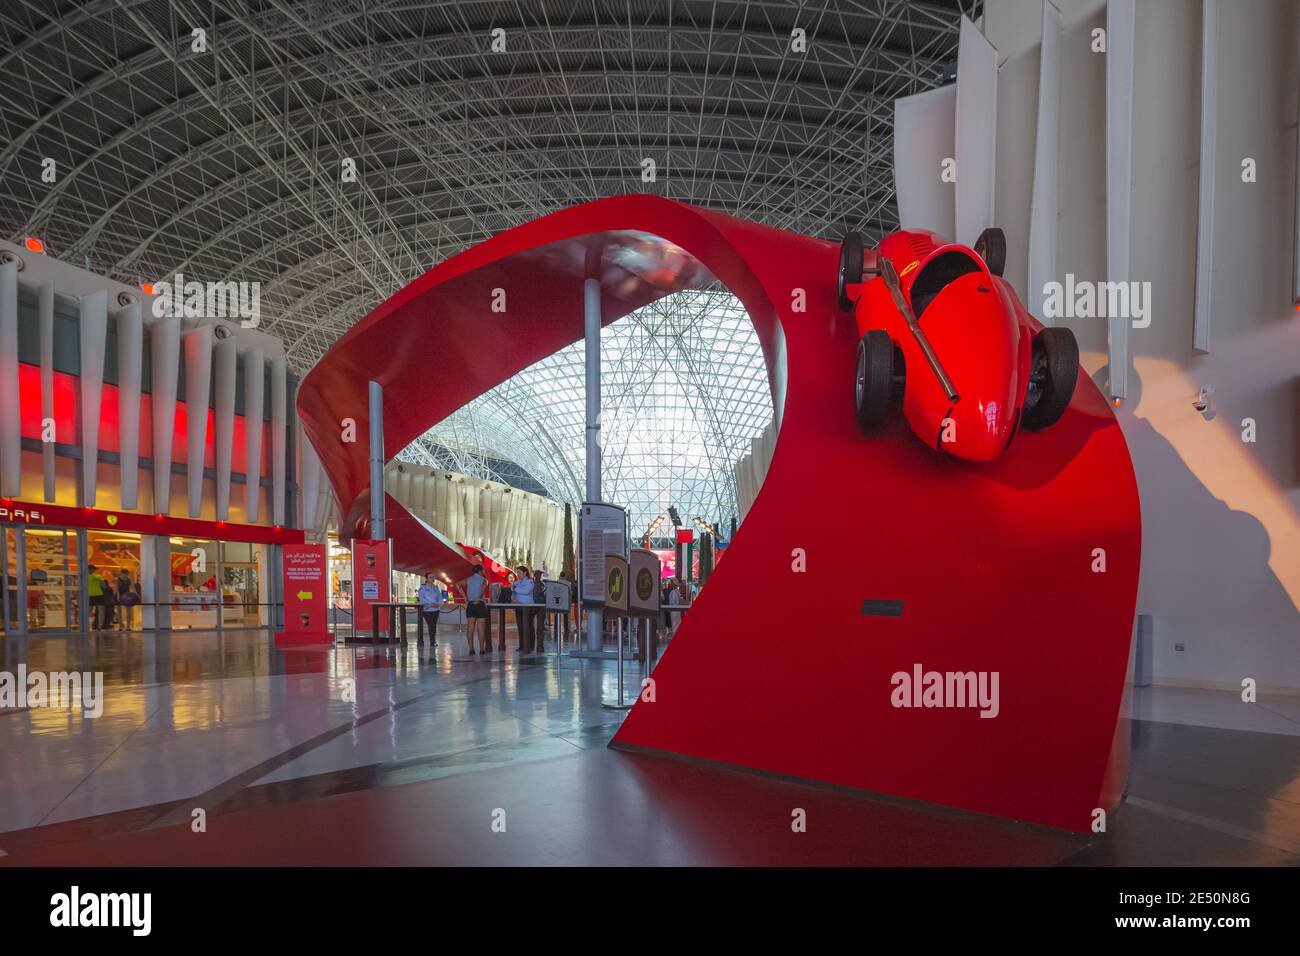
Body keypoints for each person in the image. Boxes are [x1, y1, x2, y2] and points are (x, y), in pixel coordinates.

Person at [463, 564, 488, 655]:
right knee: (481, 628)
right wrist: (478, 598)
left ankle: (471, 649)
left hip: (470, 604)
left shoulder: (468, 579)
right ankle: (482, 649)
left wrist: (465, 597)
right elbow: (482, 591)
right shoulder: (484, 580)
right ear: (480, 571)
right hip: (480, 604)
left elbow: (457, 584)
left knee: (470, 628)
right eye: (483, 570)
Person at [416, 572, 443, 649]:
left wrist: (438, 604)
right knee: (431, 625)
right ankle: (432, 641)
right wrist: (430, 604)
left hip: (435, 610)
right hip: (427, 610)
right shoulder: (423, 588)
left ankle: (433, 641)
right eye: (430, 577)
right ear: (427, 579)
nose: (432, 578)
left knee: (433, 625)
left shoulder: (436, 587)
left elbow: (440, 597)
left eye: (433, 577)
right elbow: (422, 598)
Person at [512, 566, 534, 653]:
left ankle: (530, 645)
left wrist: (516, 589)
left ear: (525, 573)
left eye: (519, 572)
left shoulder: (530, 581)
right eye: (517, 573)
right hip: (519, 607)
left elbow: (526, 591)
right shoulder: (518, 582)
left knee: (528, 626)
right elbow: (513, 590)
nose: (518, 574)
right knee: (520, 626)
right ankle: (522, 645)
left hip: (527, 607)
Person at [86, 565, 108, 629]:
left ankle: (100, 627)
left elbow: (104, 586)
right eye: (93, 569)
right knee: (89, 611)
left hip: (98, 594)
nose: (94, 570)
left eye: (94, 569)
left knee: (101, 611)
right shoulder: (85, 577)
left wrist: (101, 580)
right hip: (90, 595)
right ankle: (88, 625)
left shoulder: (98, 576)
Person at [531, 568, 547, 651]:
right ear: (535, 575)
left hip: (541, 605)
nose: (539, 576)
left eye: (540, 574)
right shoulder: (532, 583)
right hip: (534, 605)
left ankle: (540, 646)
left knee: (540, 626)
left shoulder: (542, 584)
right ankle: (533, 643)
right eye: (538, 574)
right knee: (531, 624)